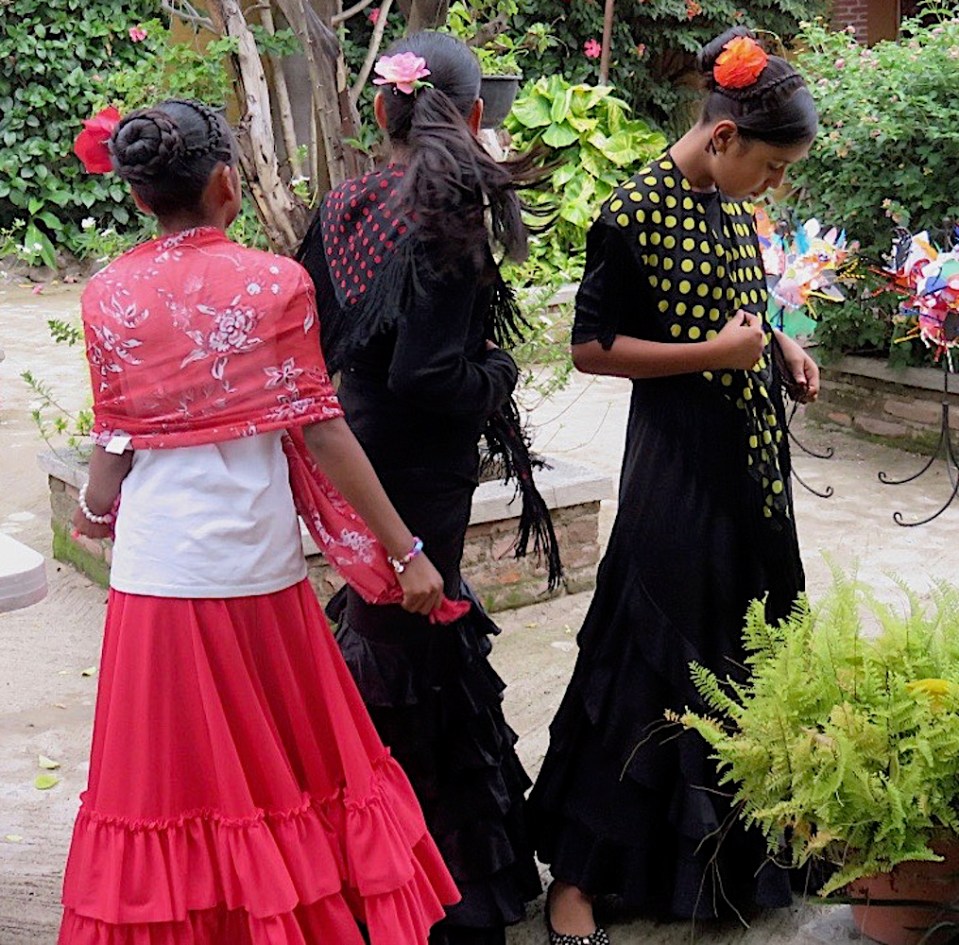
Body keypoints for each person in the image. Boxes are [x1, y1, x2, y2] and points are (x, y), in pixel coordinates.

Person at [60, 98, 465, 945]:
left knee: (170, 787)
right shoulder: (275, 284)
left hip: (157, 578)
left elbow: (114, 444)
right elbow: (323, 430)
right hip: (257, 573)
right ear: (226, 183)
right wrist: (407, 551)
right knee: (290, 778)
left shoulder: (107, 295)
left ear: (137, 195)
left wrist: (94, 513)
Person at [526, 28, 821, 944]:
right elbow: (589, 347)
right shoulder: (629, 213)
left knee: (746, 648)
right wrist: (713, 355)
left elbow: (737, 309)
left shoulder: (730, 205)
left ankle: (723, 866)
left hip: (751, 466)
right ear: (723, 135)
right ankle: (578, 879)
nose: (772, 186)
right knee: (644, 659)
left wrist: (778, 343)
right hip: (675, 471)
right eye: (770, 167)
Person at [297, 31, 559, 945]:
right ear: (474, 113)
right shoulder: (450, 213)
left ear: (382, 109)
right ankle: (418, 885)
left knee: (406, 629)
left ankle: (383, 864)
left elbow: (319, 337)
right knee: (407, 640)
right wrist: (500, 373)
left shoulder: (344, 201)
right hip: (419, 464)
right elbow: (429, 374)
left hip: (357, 447)